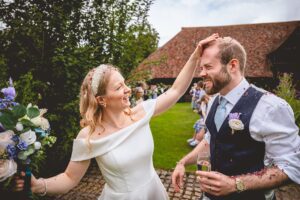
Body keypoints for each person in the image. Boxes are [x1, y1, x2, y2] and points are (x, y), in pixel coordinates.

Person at [15, 34, 220, 199]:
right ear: (102, 99)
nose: (128, 90)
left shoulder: (140, 112)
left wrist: (195, 56)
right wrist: (38, 185)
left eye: (125, 83)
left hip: (154, 192)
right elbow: (69, 178)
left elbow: (175, 91)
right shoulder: (88, 137)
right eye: (119, 87)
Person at [172, 36, 300, 200]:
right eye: (201, 68)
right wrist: (182, 162)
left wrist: (235, 184)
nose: (201, 73)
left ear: (232, 65)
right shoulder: (213, 102)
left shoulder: (270, 107)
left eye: (208, 67)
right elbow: (211, 141)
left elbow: (291, 167)